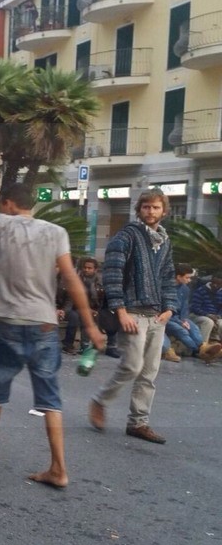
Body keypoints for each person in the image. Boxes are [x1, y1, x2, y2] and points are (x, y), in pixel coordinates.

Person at [0, 183, 105, 489]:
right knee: (50, 398)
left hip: (9, 324)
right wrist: (91, 326)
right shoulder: (56, 232)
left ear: (7, 203)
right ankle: (58, 468)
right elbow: (71, 278)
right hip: (44, 325)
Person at [89, 189, 178, 444]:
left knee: (149, 372)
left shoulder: (164, 240)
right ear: (139, 209)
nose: (151, 211)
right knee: (132, 366)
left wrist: (170, 308)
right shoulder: (126, 236)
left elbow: (168, 276)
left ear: (164, 211)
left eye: (156, 207)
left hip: (156, 315)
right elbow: (112, 274)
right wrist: (121, 310)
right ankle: (100, 400)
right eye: (146, 207)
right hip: (132, 313)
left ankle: (138, 423)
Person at [162, 264, 222, 362]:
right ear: (178, 276)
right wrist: (180, 322)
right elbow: (165, 309)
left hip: (179, 317)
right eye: (187, 277)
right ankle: (200, 351)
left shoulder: (185, 289)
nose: (189, 280)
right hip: (167, 317)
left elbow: (185, 307)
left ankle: (203, 347)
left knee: (193, 327)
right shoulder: (166, 287)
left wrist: (183, 319)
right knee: (181, 330)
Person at [188, 274, 222, 347]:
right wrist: (207, 314)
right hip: (198, 315)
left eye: (219, 284)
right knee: (208, 322)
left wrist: (219, 316)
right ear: (211, 281)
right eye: (214, 283)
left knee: (221, 323)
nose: (215, 285)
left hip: (216, 316)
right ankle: (202, 346)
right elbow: (194, 307)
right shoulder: (200, 291)